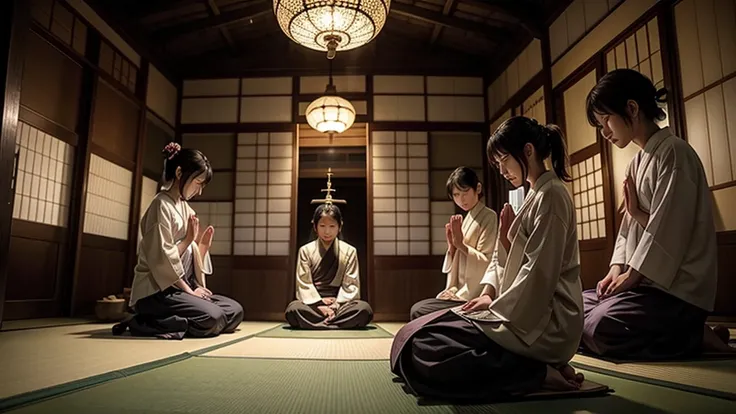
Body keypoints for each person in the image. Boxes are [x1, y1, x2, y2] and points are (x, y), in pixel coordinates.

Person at [390, 117, 585, 402]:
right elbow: (504, 261)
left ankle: (535, 373)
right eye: (497, 164)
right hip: (520, 311)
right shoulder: (534, 195)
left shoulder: (551, 195)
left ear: (528, 151)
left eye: (504, 160)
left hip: (544, 322)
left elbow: (538, 274)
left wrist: (493, 310)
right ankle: (537, 367)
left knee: (423, 345)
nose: (502, 170)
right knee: (413, 333)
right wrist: (488, 291)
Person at [581, 69, 731, 359]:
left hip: (675, 292)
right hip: (645, 286)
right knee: (572, 309)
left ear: (632, 108)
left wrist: (632, 277)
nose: (605, 132)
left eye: (606, 121)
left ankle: (693, 333)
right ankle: (689, 334)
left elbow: (669, 230)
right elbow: (628, 230)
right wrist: (616, 270)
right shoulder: (636, 164)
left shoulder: (675, 153)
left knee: (601, 327)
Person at [114, 142, 244, 339]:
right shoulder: (160, 206)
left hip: (180, 288)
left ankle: (178, 320)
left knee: (235, 310)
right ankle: (143, 321)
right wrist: (190, 292)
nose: (199, 191)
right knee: (213, 317)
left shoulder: (186, 209)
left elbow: (186, 258)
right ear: (179, 172)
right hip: (157, 292)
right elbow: (161, 262)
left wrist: (201, 248)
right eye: (198, 183)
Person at [409, 167, 497, 320]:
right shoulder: (467, 218)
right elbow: (459, 258)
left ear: (478, 188)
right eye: (456, 195)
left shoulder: (489, 217)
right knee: (419, 310)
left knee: (420, 311)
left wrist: (461, 244)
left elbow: (487, 262)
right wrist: (452, 247)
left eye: (465, 193)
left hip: (473, 295)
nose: (461, 199)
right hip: (459, 291)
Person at [285, 203, 373, 329]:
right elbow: (304, 283)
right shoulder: (306, 250)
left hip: (340, 304)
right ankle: (336, 323)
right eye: (322, 226)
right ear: (315, 227)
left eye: (332, 226)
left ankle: (319, 324)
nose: (327, 231)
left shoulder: (349, 251)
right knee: (293, 309)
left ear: (340, 226)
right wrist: (320, 304)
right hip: (314, 304)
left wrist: (336, 304)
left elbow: (350, 285)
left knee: (364, 309)